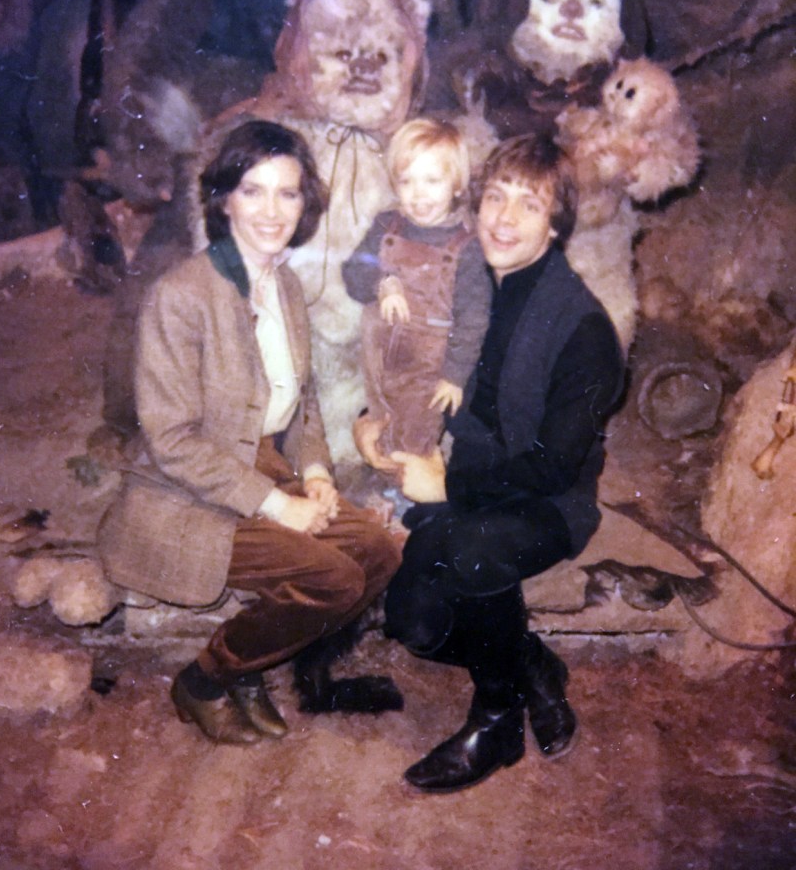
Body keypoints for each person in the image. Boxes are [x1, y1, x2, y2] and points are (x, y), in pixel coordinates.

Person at [99, 120, 402, 745]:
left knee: (378, 551)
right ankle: (208, 678)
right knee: (334, 579)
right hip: (189, 491)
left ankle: (255, 661)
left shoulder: (284, 284)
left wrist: (315, 474)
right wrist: (279, 507)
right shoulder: (181, 296)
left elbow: (301, 399)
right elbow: (172, 441)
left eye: (287, 193)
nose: (272, 211)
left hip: (260, 465)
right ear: (224, 199)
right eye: (253, 191)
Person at [355, 133, 625, 792]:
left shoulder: (586, 330)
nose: (504, 219)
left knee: (474, 552)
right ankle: (531, 663)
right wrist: (374, 422)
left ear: (556, 224)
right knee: (413, 623)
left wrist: (448, 484)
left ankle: (497, 720)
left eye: (529, 206)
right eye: (496, 198)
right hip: (469, 482)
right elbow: (416, 363)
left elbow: (553, 467)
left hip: (546, 503)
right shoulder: (466, 280)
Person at [341, 118, 491, 459]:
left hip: (428, 369)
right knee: (379, 426)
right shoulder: (385, 225)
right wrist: (382, 283)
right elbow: (352, 273)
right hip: (378, 357)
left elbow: (473, 319)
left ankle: (411, 482)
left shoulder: (468, 247)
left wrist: (454, 376)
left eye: (432, 181)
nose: (418, 194)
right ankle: (384, 475)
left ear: (457, 185)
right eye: (407, 181)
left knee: (415, 438)